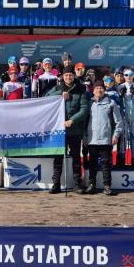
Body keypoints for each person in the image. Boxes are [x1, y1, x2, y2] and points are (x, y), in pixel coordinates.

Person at [46, 66, 89, 194]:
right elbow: (46, 98)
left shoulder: (81, 89)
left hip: (74, 130)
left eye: (70, 75)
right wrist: (60, 94)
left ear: (74, 76)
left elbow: (84, 109)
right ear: (63, 77)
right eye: (66, 75)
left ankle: (77, 184)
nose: (68, 77)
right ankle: (56, 184)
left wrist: (72, 120)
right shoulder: (57, 88)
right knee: (58, 157)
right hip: (60, 130)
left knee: (76, 158)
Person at [84, 80, 123, 196]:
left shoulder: (111, 103)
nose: (99, 90)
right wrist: (85, 137)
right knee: (92, 164)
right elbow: (85, 122)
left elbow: (119, 121)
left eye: (101, 88)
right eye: (96, 88)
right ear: (93, 91)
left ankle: (107, 186)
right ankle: (92, 185)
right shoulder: (89, 103)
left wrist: (116, 135)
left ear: (104, 90)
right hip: (92, 139)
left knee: (106, 164)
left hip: (106, 139)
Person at [117, 69, 134, 168]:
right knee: (123, 136)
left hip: (133, 113)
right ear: (124, 76)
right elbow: (118, 103)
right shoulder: (120, 86)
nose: (129, 76)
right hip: (123, 113)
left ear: (133, 75)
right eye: (126, 75)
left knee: (132, 135)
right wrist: (120, 96)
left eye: (131, 74)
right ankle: (122, 158)